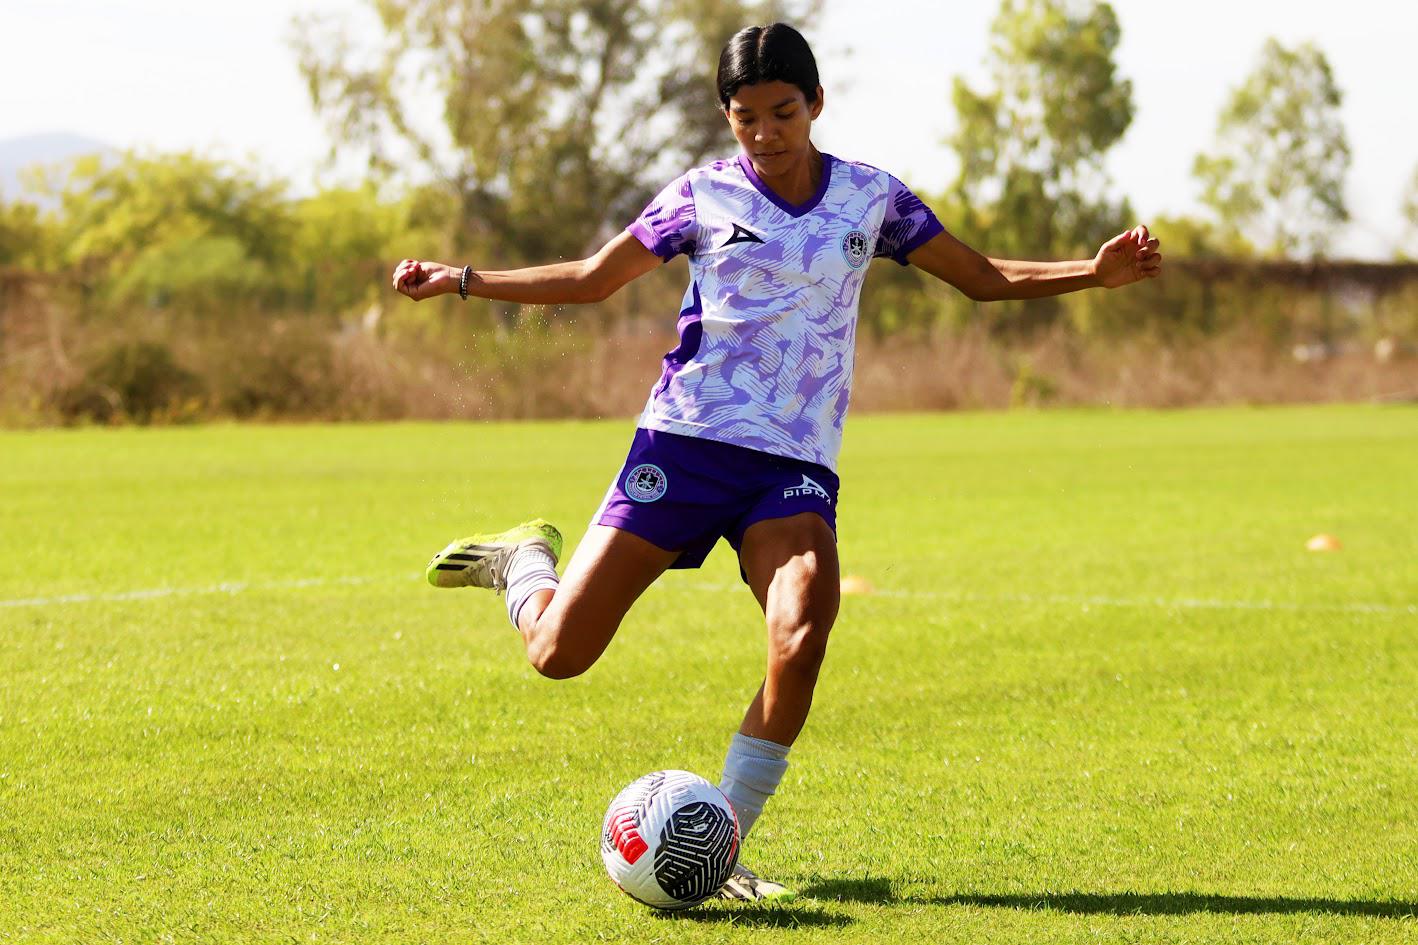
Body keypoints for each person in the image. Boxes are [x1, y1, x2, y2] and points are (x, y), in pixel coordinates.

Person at [392, 22, 1161, 902]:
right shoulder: (701, 197)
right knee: (559, 654)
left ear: (816, 105)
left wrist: (1092, 275)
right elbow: (592, 278)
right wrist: (462, 280)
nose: (765, 132)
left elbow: (982, 277)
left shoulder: (874, 199)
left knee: (800, 633)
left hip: (791, 465)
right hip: (683, 445)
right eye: (746, 116)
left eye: (782, 112)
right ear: (727, 118)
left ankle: (717, 848)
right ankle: (525, 562)